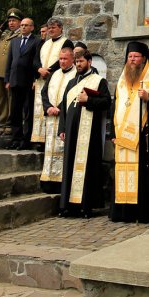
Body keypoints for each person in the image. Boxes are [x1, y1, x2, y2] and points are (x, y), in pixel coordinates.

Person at [111, 41, 149, 223]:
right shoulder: (121, 80)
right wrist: (113, 132)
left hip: (142, 137)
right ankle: (121, 212)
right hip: (121, 135)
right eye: (130, 57)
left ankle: (139, 213)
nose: (132, 60)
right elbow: (115, 105)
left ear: (144, 59)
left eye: (136, 57)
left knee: (141, 175)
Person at [57, 47, 111, 218]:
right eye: (76, 62)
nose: (78, 64)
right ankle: (67, 206)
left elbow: (106, 102)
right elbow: (64, 107)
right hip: (72, 133)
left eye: (81, 61)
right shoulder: (71, 83)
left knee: (86, 168)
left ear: (89, 62)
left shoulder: (99, 81)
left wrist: (89, 100)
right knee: (69, 167)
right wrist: (62, 128)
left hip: (89, 134)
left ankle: (85, 206)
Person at [39, 41, 77, 196]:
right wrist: (48, 107)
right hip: (51, 118)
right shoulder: (54, 74)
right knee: (50, 150)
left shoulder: (76, 75)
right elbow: (44, 92)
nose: (62, 61)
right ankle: (48, 181)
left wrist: (59, 109)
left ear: (72, 59)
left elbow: (72, 94)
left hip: (64, 119)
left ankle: (61, 182)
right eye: (60, 59)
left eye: (65, 59)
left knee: (62, 150)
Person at [31, 19, 69, 146]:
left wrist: (48, 71)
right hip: (41, 79)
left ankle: (51, 139)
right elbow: (35, 59)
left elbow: (63, 60)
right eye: (49, 28)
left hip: (54, 79)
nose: (50, 30)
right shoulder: (43, 43)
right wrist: (39, 69)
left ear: (61, 28)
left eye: (53, 27)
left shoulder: (66, 42)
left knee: (51, 104)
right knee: (39, 108)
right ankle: (39, 138)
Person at [5, 18, 41, 149]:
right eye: (22, 25)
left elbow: (37, 61)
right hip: (14, 81)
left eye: (26, 25)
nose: (23, 27)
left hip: (28, 82)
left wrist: (35, 79)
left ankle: (26, 140)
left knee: (28, 112)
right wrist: (7, 79)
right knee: (15, 112)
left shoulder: (37, 41)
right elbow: (9, 61)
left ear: (32, 27)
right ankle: (16, 138)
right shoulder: (14, 41)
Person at [0, 9, 23, 135]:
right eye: (9, 21)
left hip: (10, 72)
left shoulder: (20, 35)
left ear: (20, 22)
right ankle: (2, 124)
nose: (11, 23)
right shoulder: (4, 34)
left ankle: (9, 125)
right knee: (1, 100)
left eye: (14, 21)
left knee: (10, 100)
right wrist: (1, 28)